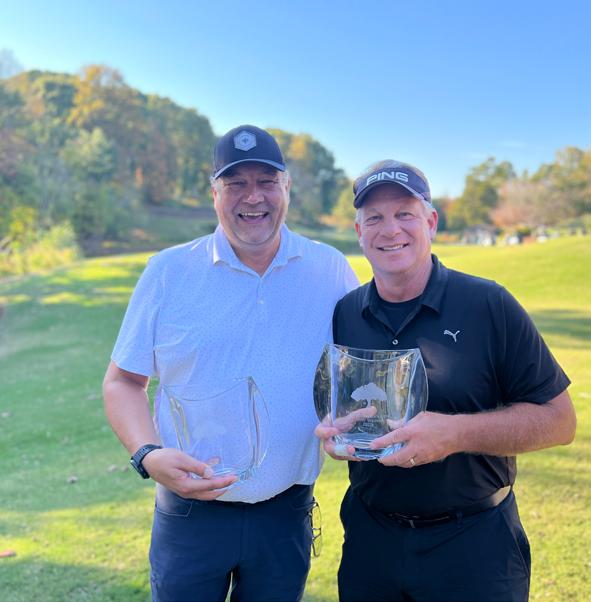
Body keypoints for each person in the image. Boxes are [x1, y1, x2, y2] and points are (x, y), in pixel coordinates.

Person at [103, 125, 358, 602]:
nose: (252, 196)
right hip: (190, 515)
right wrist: (147, 454)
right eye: (236, 182)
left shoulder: (330, 270)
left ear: (287, 187)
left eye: (266, 181)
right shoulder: (168, 272)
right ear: (214, 193)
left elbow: (356, 370)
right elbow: (123, 382)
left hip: (286, 514)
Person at [315, 159, 576, 602]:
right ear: (359, 232)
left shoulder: (488, 304)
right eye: (374, 218)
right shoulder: (346, 312)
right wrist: (335, 433)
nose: (390, 229)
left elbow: (559, 421)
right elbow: (345, 406)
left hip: (473, 545)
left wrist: (454, 434)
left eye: (405, 214)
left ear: (431, 222)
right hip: (370, 541)